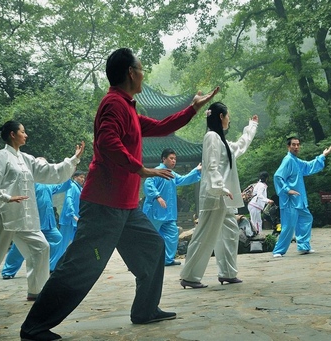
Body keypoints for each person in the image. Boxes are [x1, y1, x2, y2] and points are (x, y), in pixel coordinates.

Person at [20, 47, 219, 341]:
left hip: (125, 207)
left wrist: (193, 108)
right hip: (103, 204)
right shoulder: (113, 104)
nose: (143, 74)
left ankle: (145, 311)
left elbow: (164, 126)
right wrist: (141, 169)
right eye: (141, 69)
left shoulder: (128, 107)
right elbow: (107, 142)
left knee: (152, 248)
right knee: (82, 266)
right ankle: (34, 328)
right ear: (130, 72)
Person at [0, 120, 84, 308]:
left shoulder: (26, 159)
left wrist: (73, 159)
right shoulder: (1, 157)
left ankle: (36, 291)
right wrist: (5, 197)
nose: (26, 135)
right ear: (13, 135)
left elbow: (49, 171)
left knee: (41, 247)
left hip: (24, 216)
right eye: (23, 132)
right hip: (5, 215)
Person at [179, 102, 258, 289]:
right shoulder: (211, 137)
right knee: (204, 235)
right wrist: (220, 187)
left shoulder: (221, 140)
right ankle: (189, 276)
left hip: (225, 197)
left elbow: (239, 147)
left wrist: (251, 127)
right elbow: (211, 165)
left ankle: (228, 273)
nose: (229, 119)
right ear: (221, 117)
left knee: (230, 234)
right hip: (216, 195)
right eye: (227, 115)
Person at [272, 137, 331, 258]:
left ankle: (304, 246)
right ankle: (278, 250)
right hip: (290, 200)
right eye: (293, 145)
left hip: (299, 199)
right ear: (288, 146)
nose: (296, 147)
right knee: (288, 225)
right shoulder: (288, 160)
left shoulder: (296, 161)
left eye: (298, 145)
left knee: (306, 218)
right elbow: (277, 176)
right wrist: (287, 190)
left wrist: (322, 156)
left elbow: (308, 166)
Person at [1, 176, 72, 279]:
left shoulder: (48, 185)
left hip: (48, 222)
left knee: (57, 238)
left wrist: (68, 173)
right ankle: (8, 271)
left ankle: (48, 267)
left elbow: (62, 186)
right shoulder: (28, 184)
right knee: (19, 247)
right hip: (31, 222)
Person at [142, 148, 202, 266]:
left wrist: (196, 170)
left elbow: (183, 179)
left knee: (172, 235)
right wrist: (157, 196)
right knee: (148, 237)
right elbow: (148, 184)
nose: (174, 161)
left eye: (175, 159)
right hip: (155, 212)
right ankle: (141, 261)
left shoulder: (171, 174)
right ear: (164, 159)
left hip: (168, 214)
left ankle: (167, 260)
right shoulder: (156, 171)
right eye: (171, 158)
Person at [55, 171, 84, 261]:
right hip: (69, 220)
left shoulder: (80, 189)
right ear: (74, 177)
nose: (83, 179)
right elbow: (69, 200)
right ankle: (53, 265)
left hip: (76, 220)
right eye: (81, 177)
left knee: (76, 243)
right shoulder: (72, 186)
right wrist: (72, 215)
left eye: (84, 177)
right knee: (62, 243)